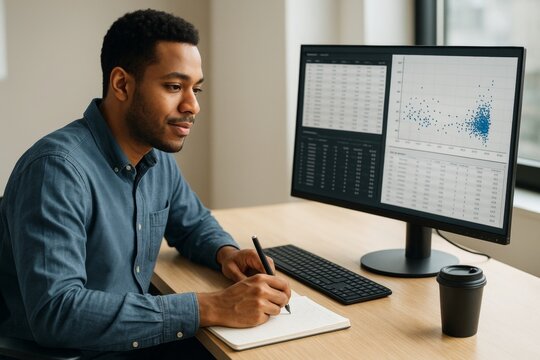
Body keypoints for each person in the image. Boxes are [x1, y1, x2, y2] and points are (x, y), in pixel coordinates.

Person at [0, 9, 291, 359]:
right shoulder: (56, 171)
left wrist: (226, 253)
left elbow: (193, 224)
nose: (193, 105)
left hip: (135, 338)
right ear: (122, 84)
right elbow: (57, 312)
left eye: (195, 89)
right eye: (174, 86)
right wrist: (210, 307)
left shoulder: (156, 158)